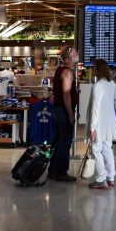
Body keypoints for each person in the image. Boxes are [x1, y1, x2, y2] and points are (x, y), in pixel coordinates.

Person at [86, 58, 116, 190]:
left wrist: (92, 127)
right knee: (107, 148)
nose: (92, 69)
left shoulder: (98, 86)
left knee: (96, 149)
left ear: (98, 69)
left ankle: (101, 179)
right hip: (110, 122)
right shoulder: (111, 84)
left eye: (93, 67)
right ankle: (110, 177)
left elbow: (95, 109)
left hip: (99, 123)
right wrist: (110, 107)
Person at [48, 45, 79, 182]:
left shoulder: (61, 70)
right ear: (69, 57)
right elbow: (66, 94)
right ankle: (61, 172)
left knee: (57, 140)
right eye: (74, 52)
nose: (77, 53)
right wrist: (71, 114)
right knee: (65, 142)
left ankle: (53, 170)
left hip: (58, 109)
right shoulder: (67, 72)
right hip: (63, 110)